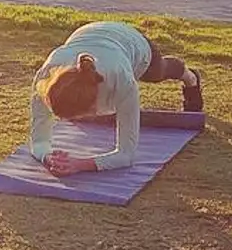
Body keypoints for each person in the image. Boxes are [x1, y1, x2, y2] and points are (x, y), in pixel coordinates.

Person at [29, 21, 204, 176]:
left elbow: (126, 155)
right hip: (88, 34)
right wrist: (48, 156)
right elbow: (38, 141)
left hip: (133, 43)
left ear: (92, 107)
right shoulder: (46, 80)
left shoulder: (122, 81)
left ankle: (191, 77)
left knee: (159, 73)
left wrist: (80, 165)